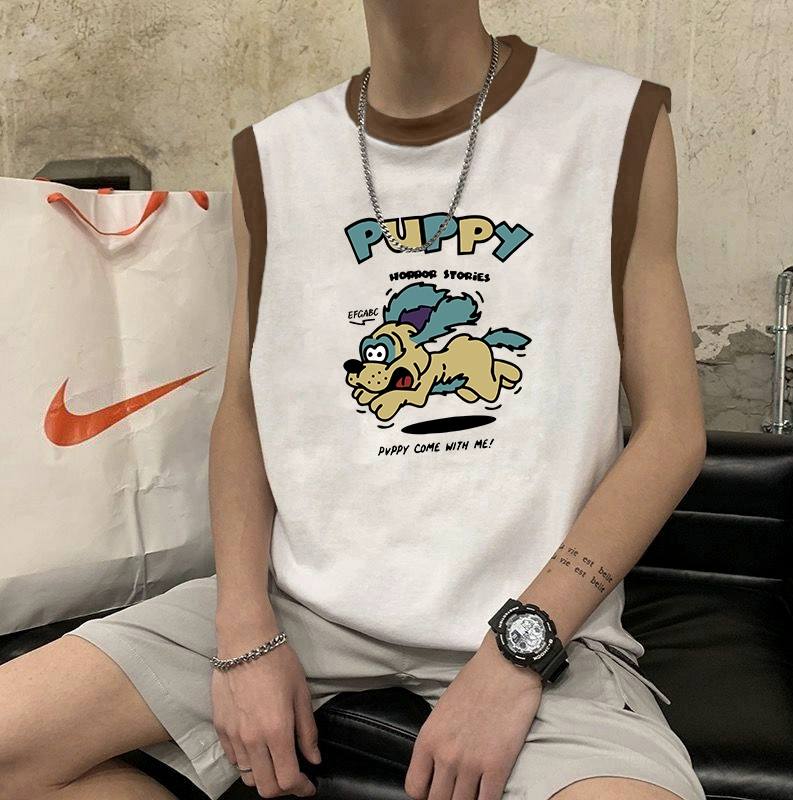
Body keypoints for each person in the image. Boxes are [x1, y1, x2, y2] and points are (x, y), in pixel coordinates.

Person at [1, 1, 708, 799]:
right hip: (302, 608)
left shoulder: (615, 122)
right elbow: (246, 410)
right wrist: (244, 630)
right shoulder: (274, 153)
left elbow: (672, 431)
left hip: (535, 622)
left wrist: (520, 649)